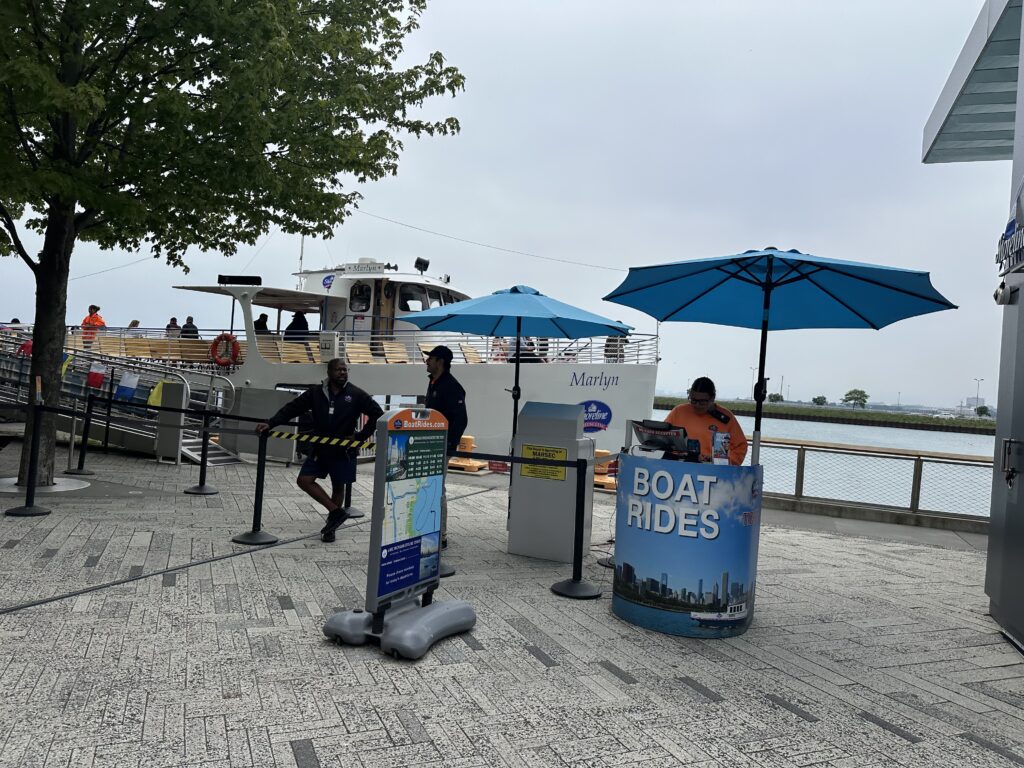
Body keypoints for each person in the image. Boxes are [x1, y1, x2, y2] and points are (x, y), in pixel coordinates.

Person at [255, 359, 383, 542]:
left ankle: (331, 528)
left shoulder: (356, 394)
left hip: (343, 451)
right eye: (338, 370)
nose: (343, 373)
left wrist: (359, 437)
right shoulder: (316, 393)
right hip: (320, 448)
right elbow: (292, 409)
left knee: (338, 487)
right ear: (329, 372)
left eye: (345, 370)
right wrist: (271, 423)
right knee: (304, 480)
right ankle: (336, 512)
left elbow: (378, 414)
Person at [424, 345, 468, 550]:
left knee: (437, 489)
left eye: (430, 358)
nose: (427, 361)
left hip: (441, 447)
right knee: (428, 487)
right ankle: (428, 528)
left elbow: (461, 419)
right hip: (429, 445)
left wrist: (449, 446)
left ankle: (441, 534)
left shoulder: (451, 386)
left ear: (440, 362)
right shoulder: (433, 382)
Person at [666, 377, 748, 465]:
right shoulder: (679, 412)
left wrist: (726, 463)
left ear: (712, 398)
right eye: (693, 400)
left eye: (702, 402)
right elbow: (662, 438)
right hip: (679, 466)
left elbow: (740, 447)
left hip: (713, 469)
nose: (697, 405)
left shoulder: (726, 418)